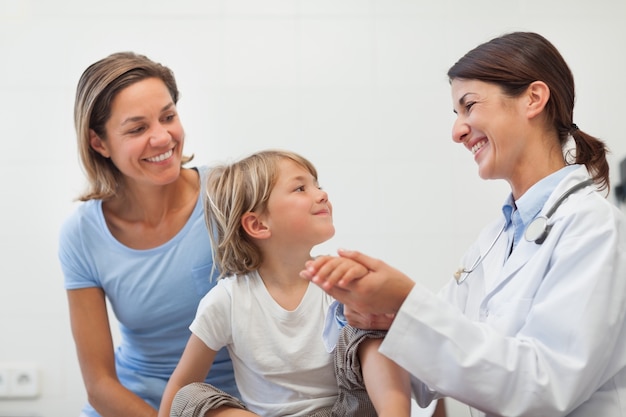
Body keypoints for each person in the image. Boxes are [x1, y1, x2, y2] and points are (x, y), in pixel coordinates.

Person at [300, 31, 626, 417]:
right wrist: (375, 315)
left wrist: (405, 301)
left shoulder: (594, 227)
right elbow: (430, 376)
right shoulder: (494, 239)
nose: (457, 131)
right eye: (457, 115)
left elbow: (544, 387)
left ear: (534, 99)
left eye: (469, 106)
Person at [157, 150, 412, 417]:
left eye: (318, 185)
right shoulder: (227, 300)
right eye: (301, 188)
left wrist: (362, 298)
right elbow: (181, 385)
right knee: (189, 396)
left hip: (344, 412)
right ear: (257, 224)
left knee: (365, 321)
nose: (321, 194)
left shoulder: (340, 280)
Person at [58, 52, 238, 417]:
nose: (162, 137)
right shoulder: (83, 234)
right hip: (134, 405)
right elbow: (99, 385)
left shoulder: (229, 193)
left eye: (168, 117)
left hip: (228, 404)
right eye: (137, 129)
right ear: (99, 143)